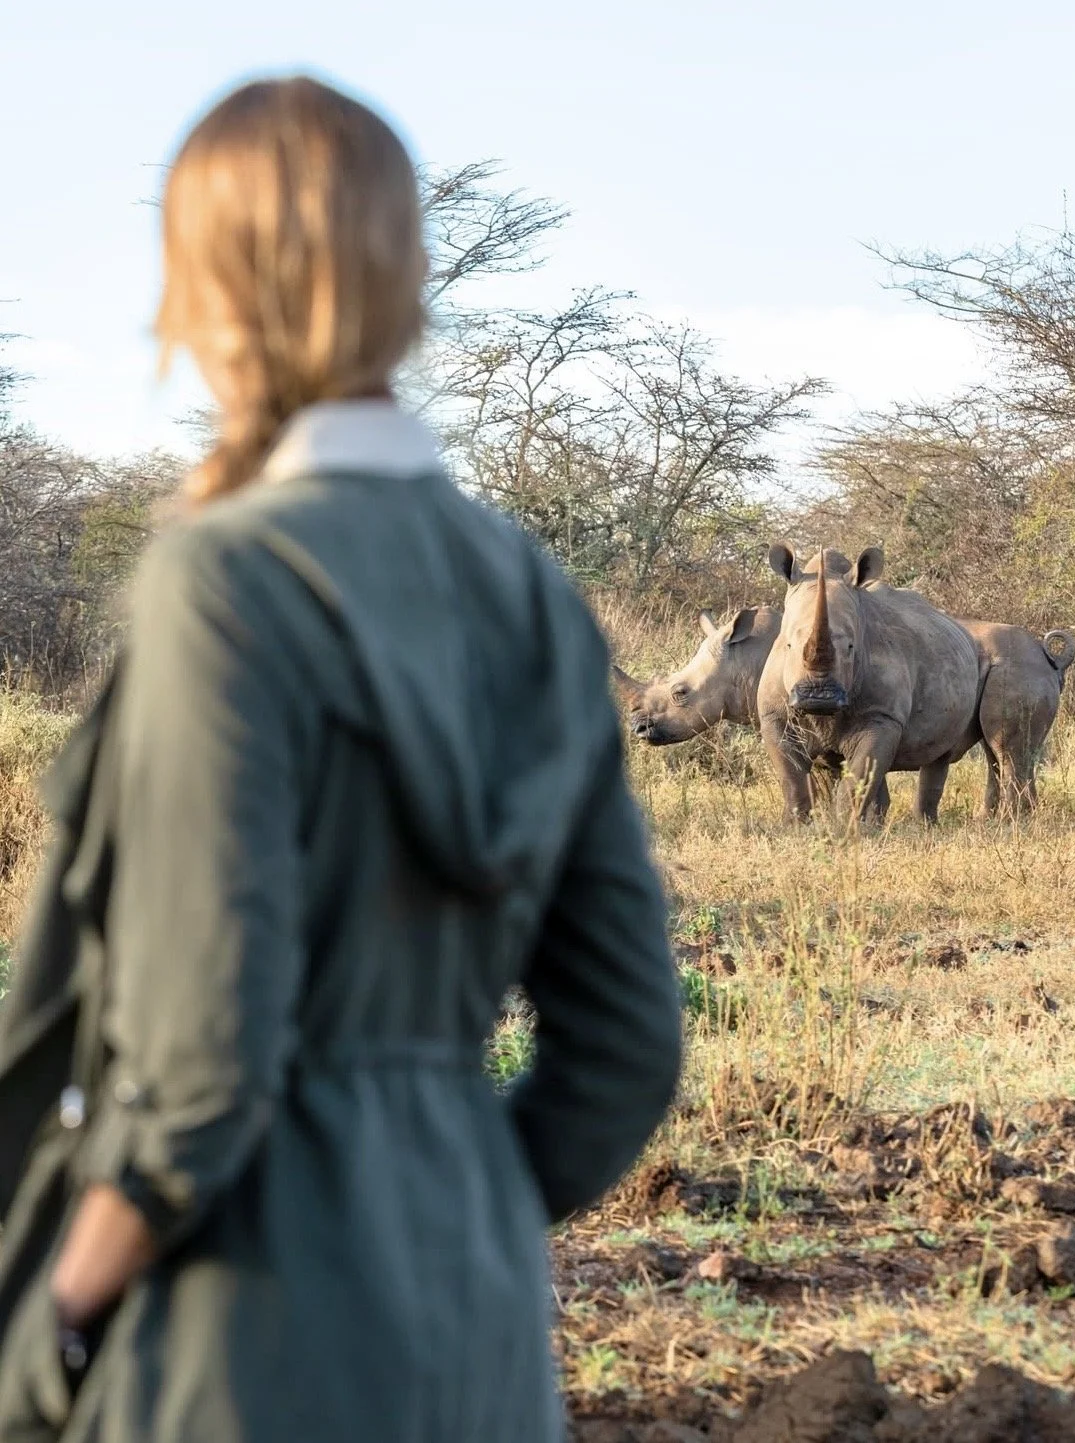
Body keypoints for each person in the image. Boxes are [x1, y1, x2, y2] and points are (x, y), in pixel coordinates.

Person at [0, 75, 681, 1442]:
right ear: (408, 279)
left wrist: (55, 1317)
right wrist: (447, 1192)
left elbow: (203, 1069)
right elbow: (628, 1043)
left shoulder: (225, 579)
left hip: (235, 1349)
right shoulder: (532, 590)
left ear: (203, 289)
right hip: (479, 1351)